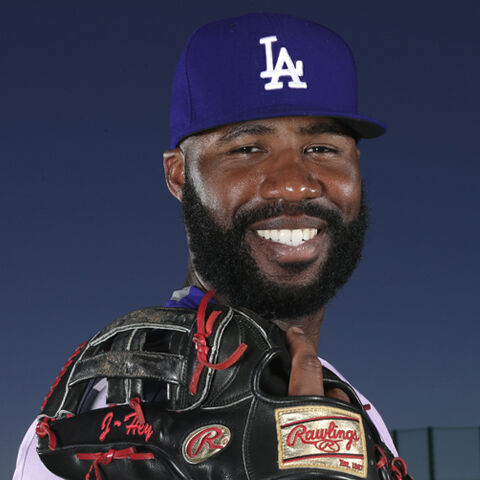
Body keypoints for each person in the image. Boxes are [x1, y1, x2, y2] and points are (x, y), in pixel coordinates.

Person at [14, 12, 398, 479]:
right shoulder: (118, 407)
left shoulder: (342, 404)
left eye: (321, 148)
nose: (294, 183)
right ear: (179, 175)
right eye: (248, 148)